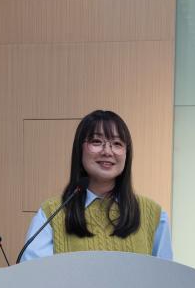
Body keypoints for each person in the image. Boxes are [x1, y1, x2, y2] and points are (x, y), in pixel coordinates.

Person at [20, 110, 172, 261]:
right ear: (80, 149)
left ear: (127, 153)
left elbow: (166, 274)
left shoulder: (155, 215)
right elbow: (35, 273)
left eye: (117, 144)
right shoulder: (50, 213)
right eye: (97, 142)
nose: (107, 152)